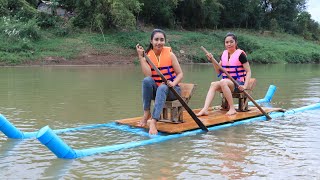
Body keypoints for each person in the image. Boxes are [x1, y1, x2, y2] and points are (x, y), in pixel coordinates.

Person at [135, 29, 183, 135]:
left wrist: (173, 83)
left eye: (162, 40)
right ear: (151, 41)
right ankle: (146, 113)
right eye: (156, 39)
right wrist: (141, 57)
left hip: (172, 90)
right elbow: (148, 75)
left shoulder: (170, 55)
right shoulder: (147, 55)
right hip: (158, 91)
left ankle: (153, 121)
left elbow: (180, 74)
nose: (159, 42)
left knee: (163, 87)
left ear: (165, 41)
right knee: (147, 80)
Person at [196, 32, 251, 116]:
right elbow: (218, 71)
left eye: (231, 42)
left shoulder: (241, 55)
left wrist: (245, 86)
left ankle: (232, 108)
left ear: (236, 43)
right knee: (213, 84)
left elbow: (248, 71)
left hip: (238, 83)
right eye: (227, 42)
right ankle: (205, 109)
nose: (229, 44)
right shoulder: (224, 54)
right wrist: (212, 60)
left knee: (223, 82)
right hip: (226, 82)